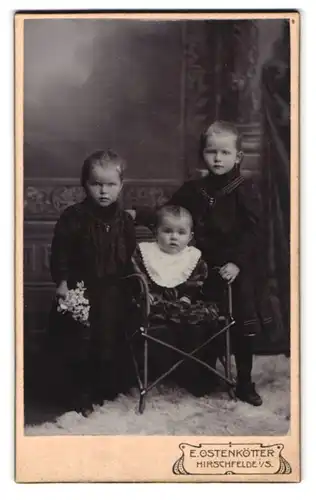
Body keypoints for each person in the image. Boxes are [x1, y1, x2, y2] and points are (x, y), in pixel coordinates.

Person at [133, 121, 273, 406]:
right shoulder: (194, 189)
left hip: (236, 266)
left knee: (240, 314)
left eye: (224, 152)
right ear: (203, 155)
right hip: (199, 263)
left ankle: (244, 380)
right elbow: (167, 215)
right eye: (211, 152)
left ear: (238, 157)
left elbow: (254, 232)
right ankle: (202, 371)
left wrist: (236, 262)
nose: (218, 159)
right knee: (201, 313)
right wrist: (138, 213)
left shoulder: (245, 191)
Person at [48, 149, 136, 416]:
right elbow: (60, 251)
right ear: (85, 184)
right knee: (80, 341)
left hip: (113, 290)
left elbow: (129, 254)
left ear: (121, 186)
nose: (103, 191)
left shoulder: (124, 220)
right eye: (96, 184)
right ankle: (80, 393)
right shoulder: (73, 217)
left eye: (110, 184)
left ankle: (105, 388)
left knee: (109, 339)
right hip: (81, 288)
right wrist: (62, 282)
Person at [132, 204, 219, 395]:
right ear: (156, 232)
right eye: (167, 231)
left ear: (190, 236)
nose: (174, 237)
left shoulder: (192, 257)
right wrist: (148, 295)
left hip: (184, 305)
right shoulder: (146, 253)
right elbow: (139, 278)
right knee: (153, 325)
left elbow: (196, 282)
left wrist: (188, 298)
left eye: (181, 233)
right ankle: (158, 370)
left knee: (201, 324)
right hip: (154, 305)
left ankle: (194, 374)